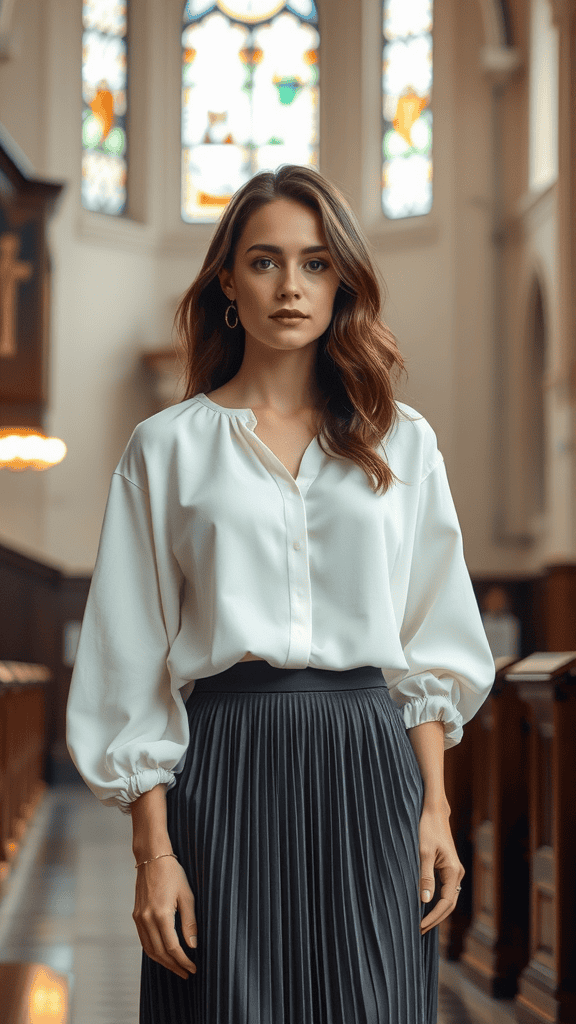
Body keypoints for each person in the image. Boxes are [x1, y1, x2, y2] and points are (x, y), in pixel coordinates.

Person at [66, 164, 496, 1024]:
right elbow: (128, 659)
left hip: (373, 768)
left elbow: (429, 640)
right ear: (227, 280)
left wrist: (436, 807)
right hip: (225, 767)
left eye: (315, 263)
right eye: (264, 262)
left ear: (344, 280)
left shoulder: (403, 444)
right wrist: (154, 853)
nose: (290, 287)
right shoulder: (166, 450)